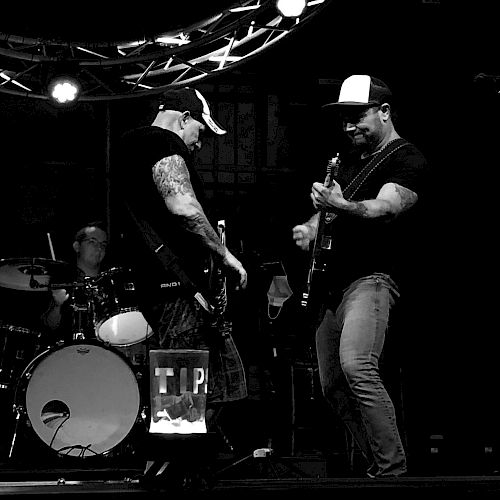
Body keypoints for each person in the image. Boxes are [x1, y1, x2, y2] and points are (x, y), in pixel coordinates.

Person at [292, 74, 429, 478]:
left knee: (357, 367)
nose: (348, 126)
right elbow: (333, 210)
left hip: (372, 279)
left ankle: (392, 469)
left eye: (357, 116)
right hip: (333, 287)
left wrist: (341, 204)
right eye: (344, 119)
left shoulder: (407, 158)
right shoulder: (352, 162)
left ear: (384, 112)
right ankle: (376, 464)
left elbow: (385, 207)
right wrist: (311, 225)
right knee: (332, 383)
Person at [114, 87, 248, 431]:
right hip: (177, 290)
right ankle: (172, 477)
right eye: (198, 131)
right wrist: (225, 255)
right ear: (184, 118)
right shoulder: (160, 141)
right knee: (180, 403)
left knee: (214, 391)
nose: (199, 143)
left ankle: (177, 469)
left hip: (170, 288)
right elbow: (182, 204)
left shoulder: (132, 146)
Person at [40, 221, 108, 343]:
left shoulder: (111, 282)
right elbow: (49, 326)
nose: (99, 247)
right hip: (66, 352)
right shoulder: (61, 280)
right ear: (77, 246)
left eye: (103, 244)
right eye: (92, 241)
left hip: (105, 352)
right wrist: (57, 305)